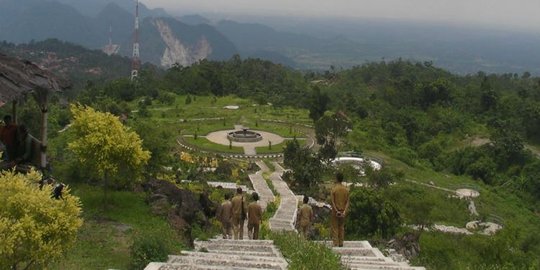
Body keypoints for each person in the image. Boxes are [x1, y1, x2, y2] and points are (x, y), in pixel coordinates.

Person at [330, 172, 349, 247]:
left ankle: (335, 243)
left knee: (335, 227)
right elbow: (347, 202)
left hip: (336, 211)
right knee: (341, 227)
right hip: (343, 211)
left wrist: (336, 210)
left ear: (337, 179)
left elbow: (332, 202)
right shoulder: (346, 190)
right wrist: (344, 211)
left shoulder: (334, 189)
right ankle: (341, 243)